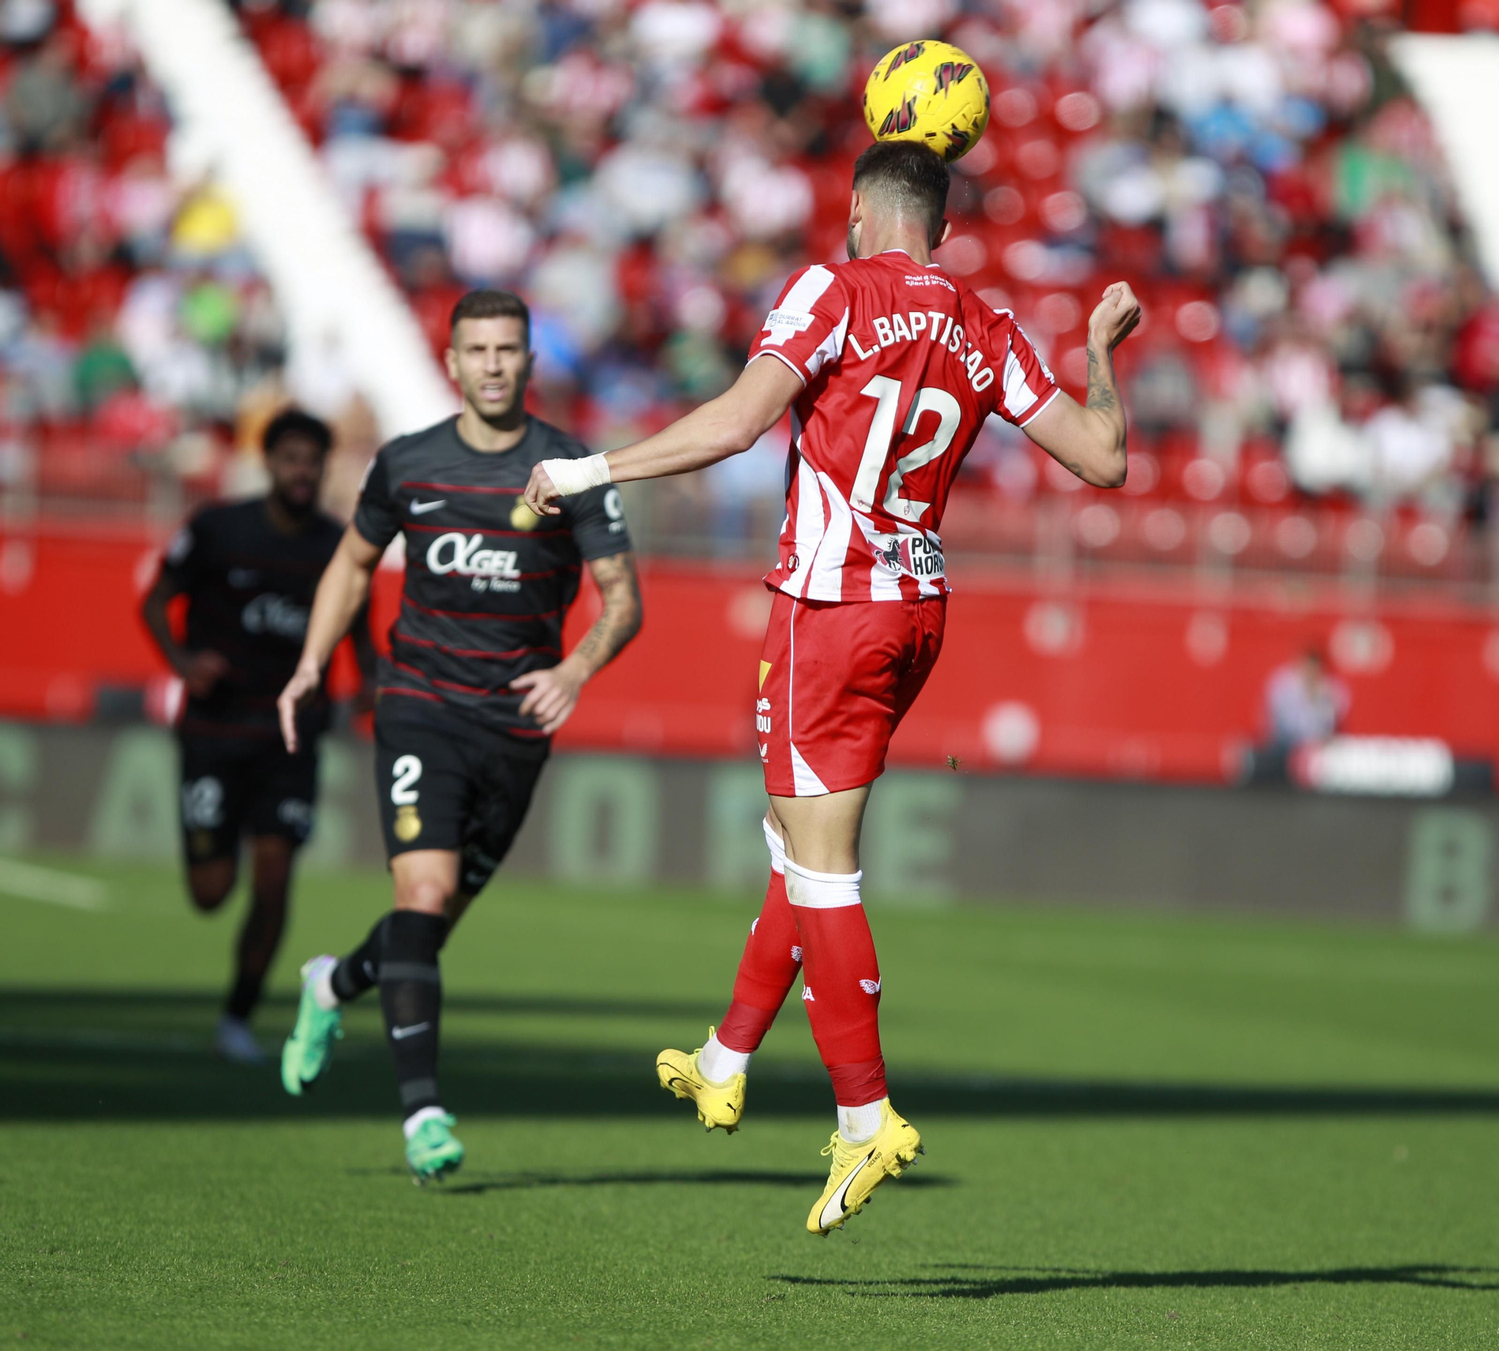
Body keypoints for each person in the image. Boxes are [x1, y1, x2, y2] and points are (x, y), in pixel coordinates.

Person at [523, 141, 1140, 1234]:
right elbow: (1101, 458)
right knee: (796, 836)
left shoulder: (832, 289)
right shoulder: (985, 322)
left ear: (858, 210)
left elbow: (735, 421)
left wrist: (586, 470)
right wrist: (1097, 350)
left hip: (829, 606)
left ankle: (865, 1117)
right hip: (916, 611)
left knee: (824, 867)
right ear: (941, 229)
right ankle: (724, 1057)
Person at [275, 289, 642, 1183]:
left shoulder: (570, 468)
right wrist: (312, 661)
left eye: (506, 349)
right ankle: (423, 1115)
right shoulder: (409, 465)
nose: (490, 364)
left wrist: (574, 669)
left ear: (528, 361)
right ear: (452, 362)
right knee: (425, 891)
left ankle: (330, 984)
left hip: (515, 730)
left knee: (424, 925)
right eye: (475, 349)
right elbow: (353, 564)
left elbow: (623, 600)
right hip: (419, 707)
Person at [141, 408, 375, 1064]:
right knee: (213, 891)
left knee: (274, 877)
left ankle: (237, 1017)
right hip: (214, 729)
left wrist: (370, 684)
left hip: (291, 738)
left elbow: (361, 630)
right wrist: (184, 664)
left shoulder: (341, 543)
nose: (303, 471)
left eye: (313, 460)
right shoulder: (218, 528)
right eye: (291, 458)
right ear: (268, 462)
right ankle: (215, 843)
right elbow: (155, 601)